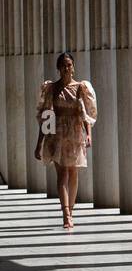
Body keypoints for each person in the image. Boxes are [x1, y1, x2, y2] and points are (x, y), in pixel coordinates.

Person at [34, 52, 97, 230]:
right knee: (62, 174)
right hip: (57, 133)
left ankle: (71, 209)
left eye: (69, 64)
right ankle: (66, 213)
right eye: (63, 65)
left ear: (73, 66)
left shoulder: (81, 87)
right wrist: (40, 142)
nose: (66, 68)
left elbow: (84, 113)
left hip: (75, 133)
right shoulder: (51, 88)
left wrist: (88, 133)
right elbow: (46, 115)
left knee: (73, 173)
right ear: (58, 68)